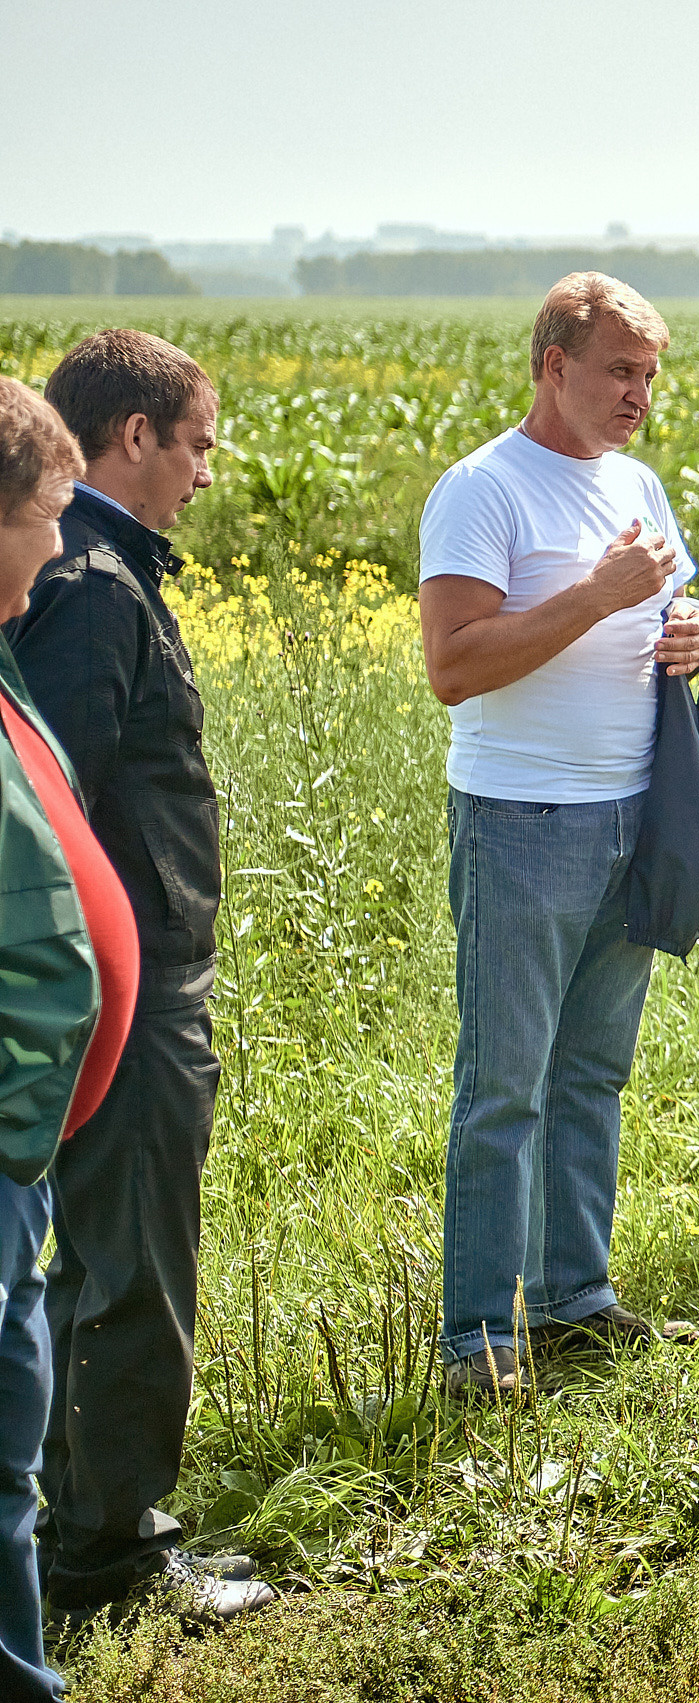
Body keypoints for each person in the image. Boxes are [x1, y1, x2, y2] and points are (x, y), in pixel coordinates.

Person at [7, 333, 275, 1623]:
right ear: (131, 435)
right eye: (199, 442)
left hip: (121, 974)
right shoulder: (99, 583)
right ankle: (109, 1550)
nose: (208, 471)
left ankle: (84, 1522)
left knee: (108, 1261)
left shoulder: (86, 568)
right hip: (129, 987)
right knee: (132, 1266)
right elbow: (58, 798)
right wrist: (107, 969)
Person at [418, 273, 699, 1398]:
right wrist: (598, 598)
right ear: (553, 364)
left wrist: (688, 625)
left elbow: (667, 603)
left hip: (633, 813)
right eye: (617, 371)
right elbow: (454, 666)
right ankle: (476, 1338)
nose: (638, 394)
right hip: (523, 821)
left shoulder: (635, 481)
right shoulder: (482, 489)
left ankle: (574, 1301)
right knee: (507, 1083)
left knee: (593, 1070)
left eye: (649, 374)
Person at [0, 378, 138, 1696]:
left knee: (8, 1452)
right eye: (45, 515)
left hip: (22, 1152)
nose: (59, 545)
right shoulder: (77, 605)